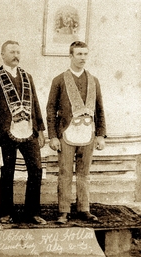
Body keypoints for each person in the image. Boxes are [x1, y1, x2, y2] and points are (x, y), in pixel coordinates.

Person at [0, 40, 47, 225]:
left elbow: (35, 105)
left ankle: (32, 212)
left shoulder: (28, 77)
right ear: (2, 55)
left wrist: (40, 130)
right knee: (7, 172)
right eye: (11, 51)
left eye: (18, 51)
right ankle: (5, 212)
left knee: (36, 170)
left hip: (29, 132)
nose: (15, 55)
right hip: (5, 134)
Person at [46, 41, 106, 224]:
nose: (83, 58)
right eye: (79, 54)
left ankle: (84, 209)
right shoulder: (59, 80)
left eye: (85, 54)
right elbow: (50, 109)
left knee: (84, 173)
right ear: (70, 56)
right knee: (65, 173)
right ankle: (63, 211)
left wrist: (101, 134)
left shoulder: (94, 80)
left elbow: (100, 109)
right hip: (66, 133)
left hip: (88, 133)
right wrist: (53, 136)